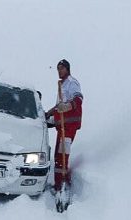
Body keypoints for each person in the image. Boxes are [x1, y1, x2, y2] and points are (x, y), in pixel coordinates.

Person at [46, 59, 83, 191]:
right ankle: (58, 183)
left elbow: (78, 100)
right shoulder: (62, 85)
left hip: (69, 126)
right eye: (58, 69)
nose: (59, 71)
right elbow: (58, 106)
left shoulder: (72, 83)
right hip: (62, 126)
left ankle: (61, 185)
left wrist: (67, 106)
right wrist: (49, 114)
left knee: (63, 155)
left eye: (61, 68)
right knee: (58, 155)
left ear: (67, 69)